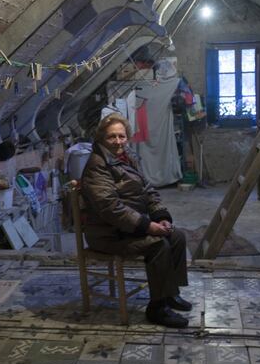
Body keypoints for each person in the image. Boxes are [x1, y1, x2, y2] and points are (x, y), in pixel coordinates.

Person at [81, 113, 191, 328]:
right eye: (112, 137)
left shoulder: (126, 157)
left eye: (122, 136)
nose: (118, 141)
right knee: (158, 245)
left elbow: (147, 189)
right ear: (102, 138)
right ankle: (157, 308)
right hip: (108, 233)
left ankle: (169, 294)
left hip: (128, 229)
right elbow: (110, 208)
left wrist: (160, 217)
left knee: (176, 236)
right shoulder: (97, 165)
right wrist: (147, 226)